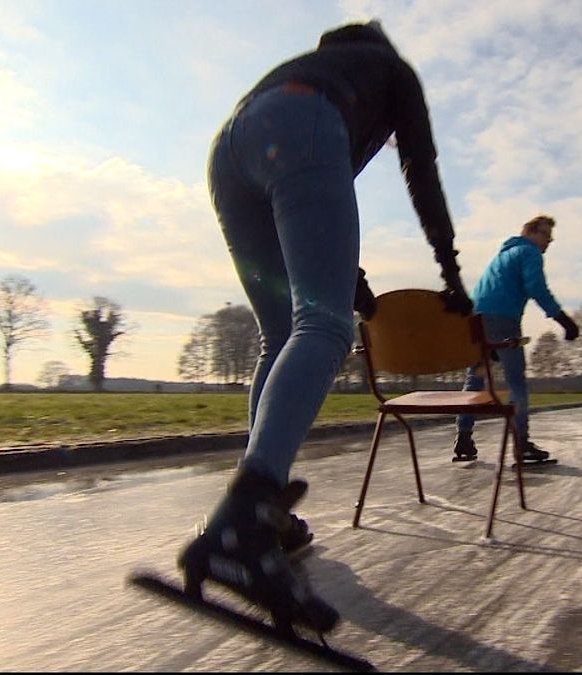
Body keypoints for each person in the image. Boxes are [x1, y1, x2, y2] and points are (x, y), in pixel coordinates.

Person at [176, 21, 473, 634]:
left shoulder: (314, 69)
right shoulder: (390, 71)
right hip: (299, 130)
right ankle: (246, 520)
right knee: (325, 327)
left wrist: (351, 277)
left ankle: (259, 515)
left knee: (281, 335)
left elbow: (311, 214)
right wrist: (449, 270)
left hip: (230, 148)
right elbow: (421, 170)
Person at [452, 215, 579, 463]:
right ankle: (521, 443)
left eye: (550, 237)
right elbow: (536, 287)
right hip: (503, 321)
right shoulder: (528, 252)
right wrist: (562, 318)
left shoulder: (502, 256)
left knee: (475, 378)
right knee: (516, 382)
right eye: (545, 235)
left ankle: (463, 437)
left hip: (477, 321)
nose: (548, 242)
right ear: (530, 232)